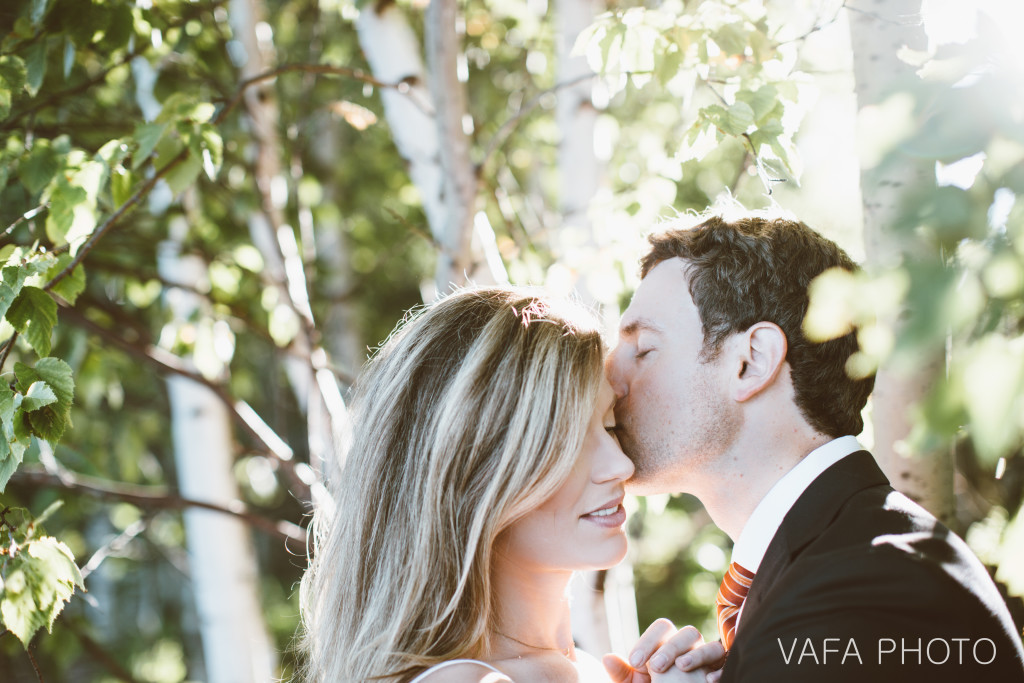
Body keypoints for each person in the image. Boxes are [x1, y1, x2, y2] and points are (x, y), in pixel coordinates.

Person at [604, 212, 1024, 682]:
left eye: (642, 349)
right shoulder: (834, 569)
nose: (606, 380)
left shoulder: (861, 591)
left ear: (751, 362)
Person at [297, 287, 708, 683]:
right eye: (567, 442)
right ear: (474, 473)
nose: (620, 464)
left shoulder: (583, 668)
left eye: (610, 426)